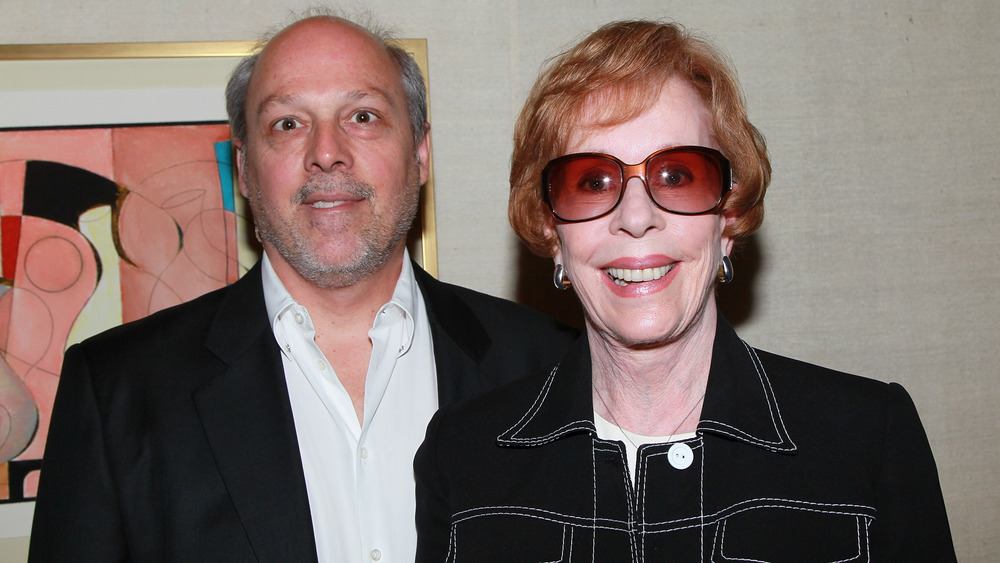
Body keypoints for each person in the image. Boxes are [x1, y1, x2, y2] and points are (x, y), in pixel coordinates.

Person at [28, 11, 576, 563]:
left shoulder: (555, 370)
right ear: (243, 168)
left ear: (420, 153)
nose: (326, 152)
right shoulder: (117, 393)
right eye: (288, 124)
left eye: (362, 116)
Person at [414, 19, 956, 561]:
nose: (635, 217)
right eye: (591, 182)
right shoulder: (462, 456)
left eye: (677, 175)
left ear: (730, 216)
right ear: (552, 233)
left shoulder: (867, 438)